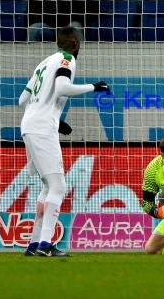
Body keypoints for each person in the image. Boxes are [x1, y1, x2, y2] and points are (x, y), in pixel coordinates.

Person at [20, 26, 111, 257]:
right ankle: (45, 245)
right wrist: (94, 87)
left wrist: (53, 117)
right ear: (76, 44)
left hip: (29, 125)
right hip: (41, 128)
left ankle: (34, 244)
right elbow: (62, 87)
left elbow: (23, 99)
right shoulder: (67, 59)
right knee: (58, 187)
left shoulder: (43, 63)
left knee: (48, 186)